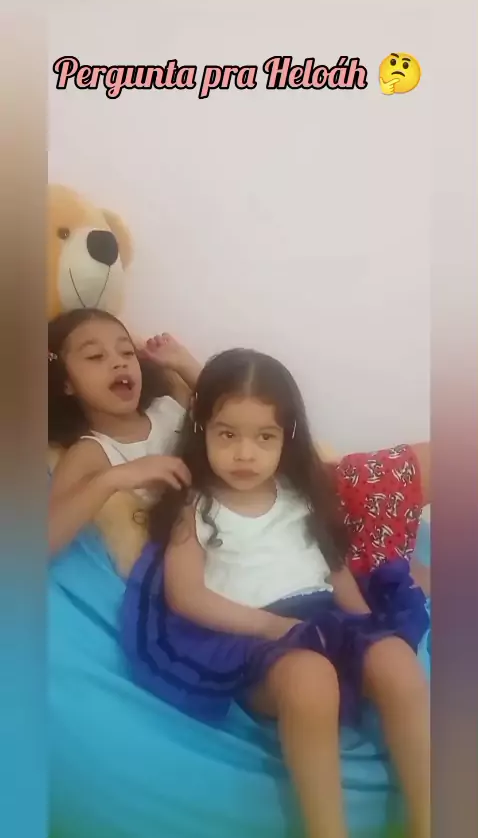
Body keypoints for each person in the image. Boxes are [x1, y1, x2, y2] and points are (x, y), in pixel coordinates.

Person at [121, 348, 430, 838]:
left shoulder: (300, 492)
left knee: (397, 659)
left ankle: (430, 819)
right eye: (228, 435)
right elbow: (186, 595)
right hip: (254, 637)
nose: (245, 454)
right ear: (202, 431)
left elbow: (332, 567)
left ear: (287, 438)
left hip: (325, 618)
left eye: (264, 437)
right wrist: (272, 626)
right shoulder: (193, 506)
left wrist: (367, 625)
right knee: (310, 679)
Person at [48, 308, 201, 555]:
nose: (120, 362)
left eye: (127, 352)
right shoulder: (90, 452)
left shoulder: (169, 405)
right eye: (96, 356)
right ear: (67, 383)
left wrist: (185, 364)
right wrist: (114, 478)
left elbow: (237, 413)